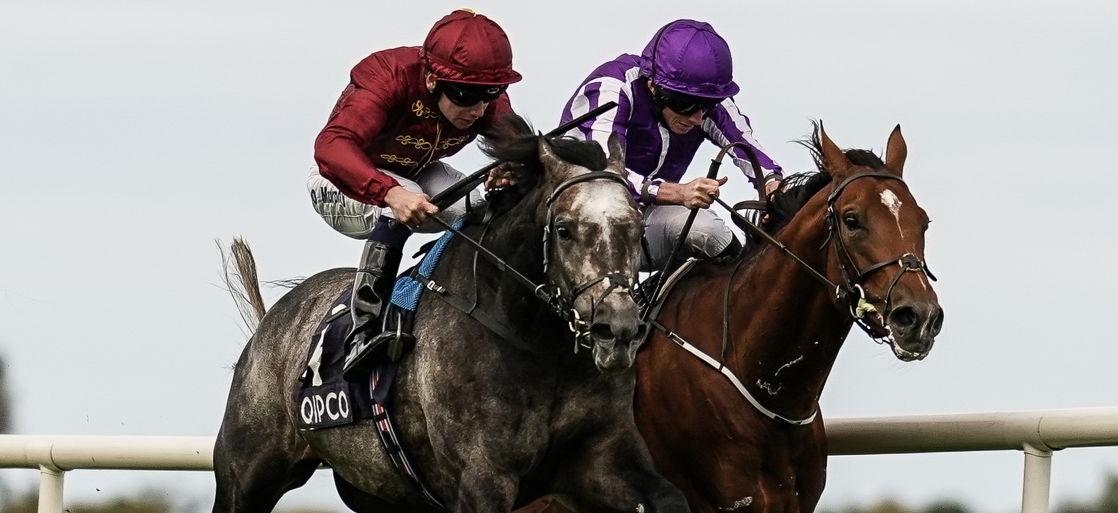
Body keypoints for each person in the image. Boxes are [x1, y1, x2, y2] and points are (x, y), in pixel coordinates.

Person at [308, 9, 522, 376]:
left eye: (491, 94)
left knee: (483, 199)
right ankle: (364, 329)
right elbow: (331, 146)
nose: (479, 109)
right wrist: (389, 193)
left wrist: (513, 170)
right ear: (432, 78)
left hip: (419, 172)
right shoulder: (387, 78)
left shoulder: (482, 98)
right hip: (341, 179)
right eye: (467, 96)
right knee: (405, 191)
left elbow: (521, 152)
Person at [560, 19, 783, 271]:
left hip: (640, 220)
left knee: (707, 231)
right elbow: (604, 176)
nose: (698, 118)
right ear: (654, 86)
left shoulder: (703, 102)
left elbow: (751, 150)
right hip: (578, 224)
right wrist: (678, 193)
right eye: (686, 105)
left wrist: (773, 187)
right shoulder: (611, 89)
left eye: (706, 106)